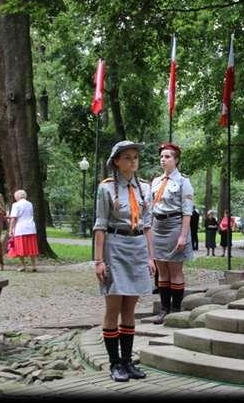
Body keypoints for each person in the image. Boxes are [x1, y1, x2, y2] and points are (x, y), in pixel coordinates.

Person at [93, 140, 156, 382]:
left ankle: (128, 361)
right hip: (115, 246)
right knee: (113, 307)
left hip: (138, 248)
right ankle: (114, 363)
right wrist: (98, 261)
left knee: (130, 308)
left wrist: (151, 257)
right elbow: (99, 225)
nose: (133, 161)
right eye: (127, 157)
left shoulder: (145, 189)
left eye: (135, 157)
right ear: (116, 162)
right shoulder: (106, 188)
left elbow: (148, 224)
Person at [149, 142, 194, 325]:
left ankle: (176, 310)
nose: (163, 159)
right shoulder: (156, 182)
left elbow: (187, 211)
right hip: (158, 228)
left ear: (176, 160)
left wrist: (183, 235)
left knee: (175, 270)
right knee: (162, 272)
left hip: (175, 226)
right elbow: (152, 208)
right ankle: (164, 309)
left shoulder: (184, 182)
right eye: (161, 156)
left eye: (167, 156)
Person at [7, 189, 39, 272]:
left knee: (20, 247)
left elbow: (13, 218)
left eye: (15, 197)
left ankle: (23, 266)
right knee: (31, 247)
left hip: (20, 228)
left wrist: (10, 229)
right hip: (31, 227)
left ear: (17, 196)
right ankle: (34, 265)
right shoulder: (30, 204)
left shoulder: (16, 205)